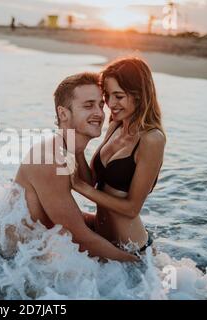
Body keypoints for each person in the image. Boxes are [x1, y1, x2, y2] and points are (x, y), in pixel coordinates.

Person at [14, 72, 138, 262]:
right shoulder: (50, 159)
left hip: (29, 258)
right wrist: (143, 266)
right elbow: (80, 240)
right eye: (88, 106)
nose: (99, 113)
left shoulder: (68, 148)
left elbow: (63, 215)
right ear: (63, 113)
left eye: (100, 105)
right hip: (6, 266)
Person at [71, 57, 166, 254]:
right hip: (102, 237)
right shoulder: (115, 125)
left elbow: (132, 208)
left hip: (132, 252)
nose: (110, 104)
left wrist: (78, 187)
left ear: (139, 95)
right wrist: (78, 149)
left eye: (119, 96)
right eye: (107, 95)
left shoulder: (152, 139)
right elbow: (92, 182)